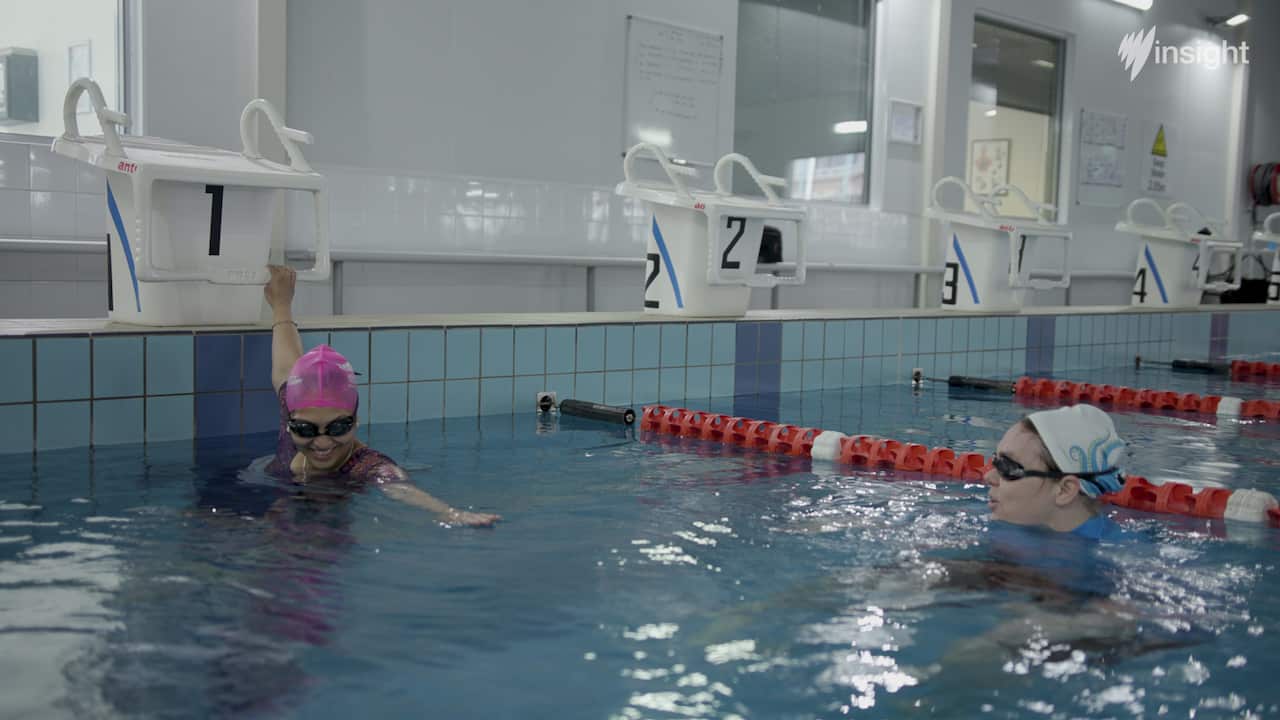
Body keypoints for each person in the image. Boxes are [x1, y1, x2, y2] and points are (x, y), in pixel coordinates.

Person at [264, 264, 499, 527]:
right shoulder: (293, 416)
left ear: (356, 420)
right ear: (290, 421)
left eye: (338, 427)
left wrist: (447, 512)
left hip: (328, 525)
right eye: (306, 430)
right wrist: (281, 304)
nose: (321, 442)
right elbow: (286, 367)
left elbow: (395, 484)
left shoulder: (363, 465)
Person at [984, 404, 1127, 540]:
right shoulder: (1023, 530)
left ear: (1065, 490)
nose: (988, 477)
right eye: (996, 461)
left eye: (1007, 467)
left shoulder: (1116, 557)